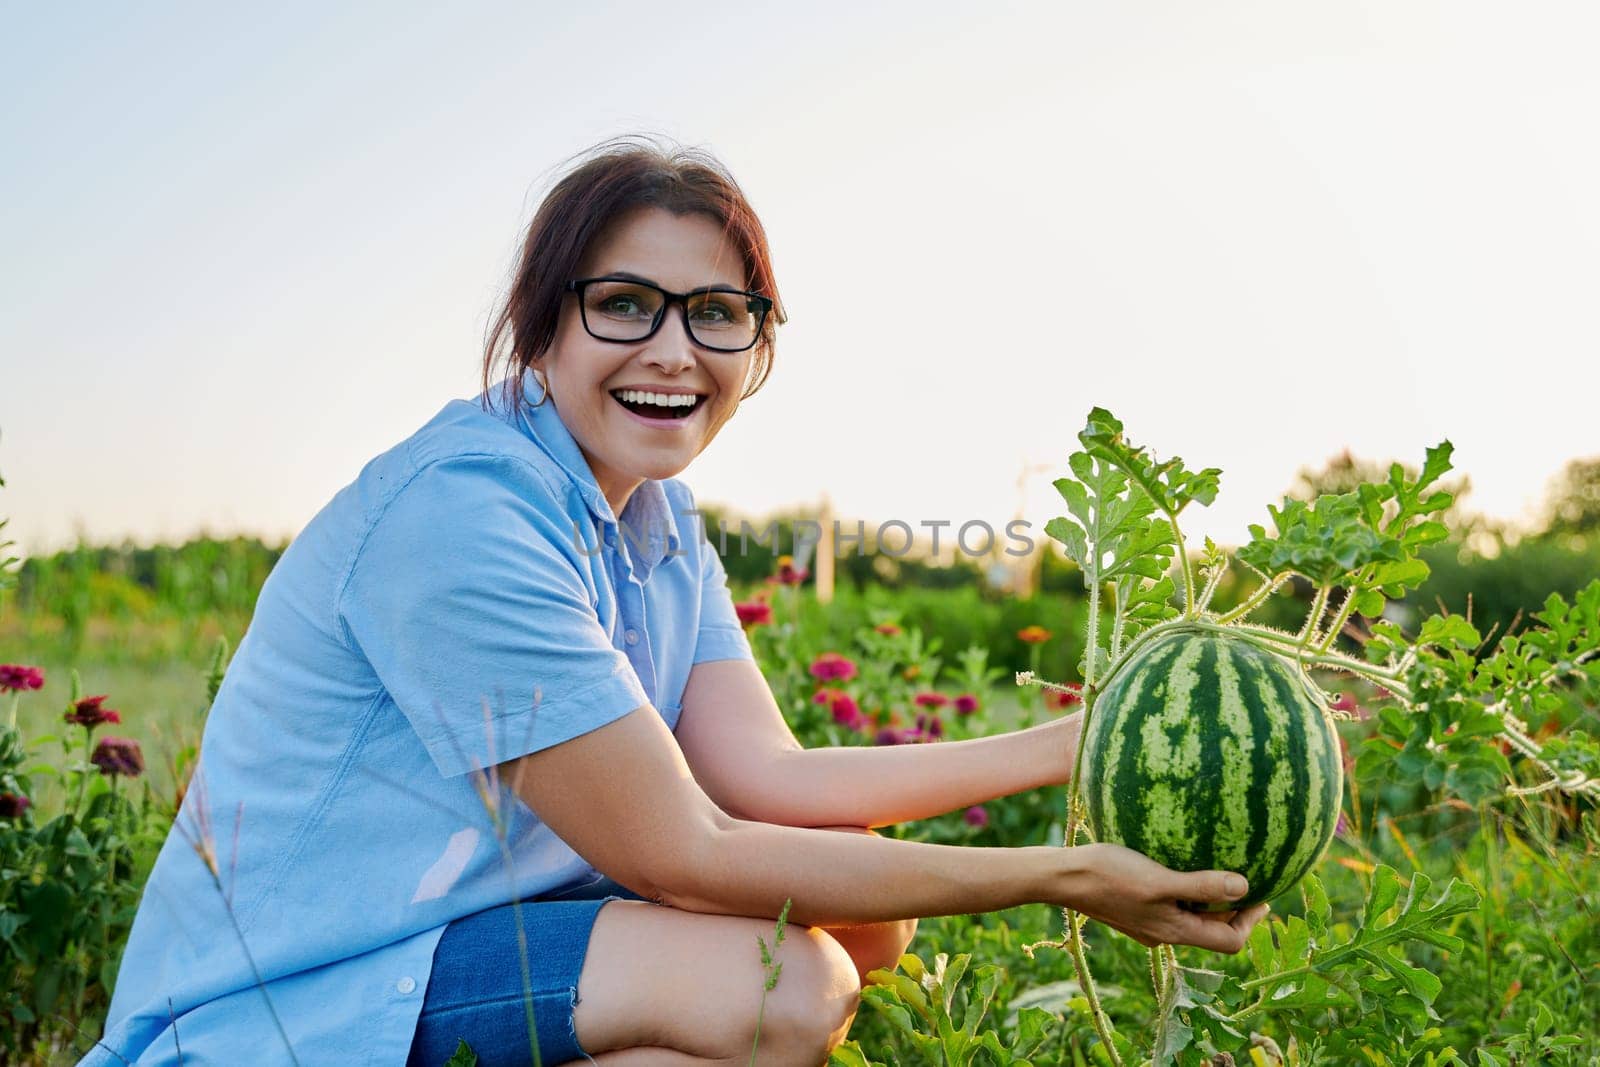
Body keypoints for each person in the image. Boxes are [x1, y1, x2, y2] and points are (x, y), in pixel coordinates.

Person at [83, 137, 1268, 1067]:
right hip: (291, 995)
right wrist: (1063, 877)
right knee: (785, 984)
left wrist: (1083, 745)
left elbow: (773, 782)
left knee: (866, 923)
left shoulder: (651, 520)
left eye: (715, 313)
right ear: (542, 325)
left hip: (464, 933)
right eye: (623, 303)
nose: (672, 349)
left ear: (755, 346)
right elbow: (690, 853)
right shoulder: (464, 518)